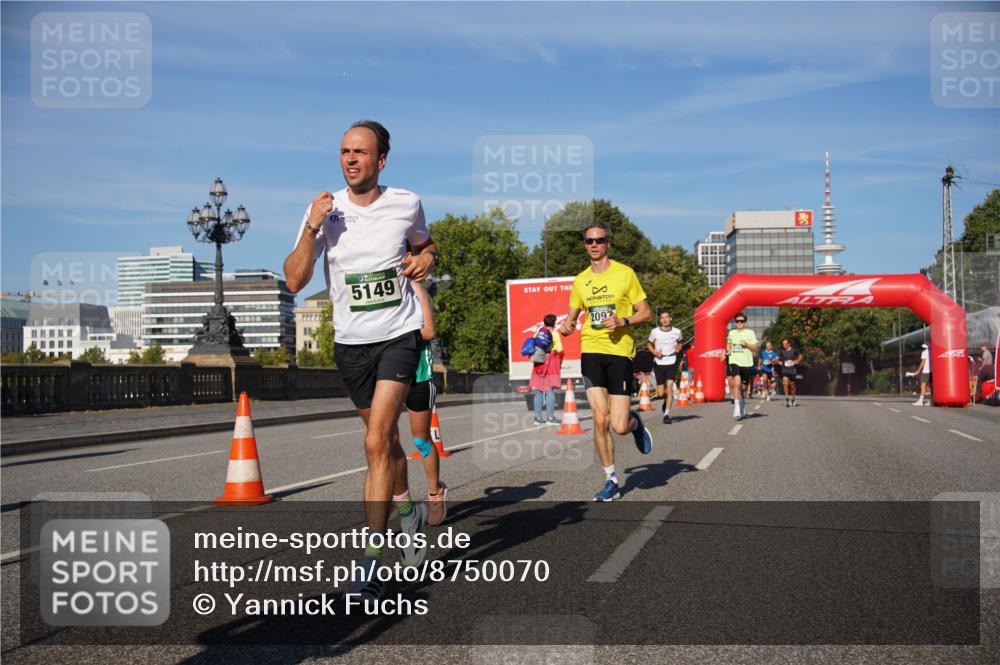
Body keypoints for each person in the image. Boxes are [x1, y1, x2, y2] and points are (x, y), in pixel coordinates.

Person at [282, 120, 438, 601]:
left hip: (398, 335)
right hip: (351, 345)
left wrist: (428, 258)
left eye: (360, 152)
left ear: (381, 160)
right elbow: (293, 280)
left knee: (374, 444)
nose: (350, 159)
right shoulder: (323, 213)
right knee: (386, 445)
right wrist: (311, 226)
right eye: (344, 151)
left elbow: (424, 243)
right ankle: (406, 510)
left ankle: (369, 563)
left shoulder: (406, 203)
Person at [558, 221, 653, 502]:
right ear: (585, 245)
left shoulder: (625, 274)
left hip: (620, 352)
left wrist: (623, 320)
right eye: (589, 241)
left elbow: (645, 313)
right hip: (591, 350)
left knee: (618, 426)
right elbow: (572, 319)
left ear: (609, 243)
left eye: (599, 240)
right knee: (600, 419)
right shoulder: (581, 280)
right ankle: (611, 480)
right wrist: (566, 326)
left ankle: (634, 423)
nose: (594, 245)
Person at [406, 281, 447, 526]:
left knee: (420, 440)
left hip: (419, 375)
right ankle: (400, 500)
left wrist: (395, 332)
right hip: (387, 375)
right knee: (382, 441)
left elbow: (429, 332)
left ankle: (435, 492)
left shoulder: (416, 288)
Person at [647, 310, 683, 423]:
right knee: (661, 393)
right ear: (660, 320)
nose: (664, 320)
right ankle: (667, 399)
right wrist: (655, 352)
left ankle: (666, 414)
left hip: (672, 361)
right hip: (659, 362)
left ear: (670, 318)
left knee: (670, 386)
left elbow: (680, 342)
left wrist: (678, 348)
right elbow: (648, 344)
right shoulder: (655, 332)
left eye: (667, 317)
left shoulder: (677, 332)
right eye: (662, 318)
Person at [530, 313, 564, 425]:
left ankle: (537, 418)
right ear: (554, 323)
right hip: (551, 363)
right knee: (550, 390)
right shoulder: (555, 333)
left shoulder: (537, 333)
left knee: (539, 391)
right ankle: (550, 418)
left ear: (544, 322)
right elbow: (559, 350)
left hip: (539, 364)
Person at [725, 313, 758, 420]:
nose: (739, 323)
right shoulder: (732, 333)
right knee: (737, 383)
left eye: (741, 321)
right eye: (737, 321)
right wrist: (727, 351)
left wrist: (747, 345)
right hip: (734, 361)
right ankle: (737, 408)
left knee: (743, 388)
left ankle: (742, 405)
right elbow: (729, 345)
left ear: (745, 322)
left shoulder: (750, 333)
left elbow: (756, 348)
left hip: (747, 363)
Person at [778, 338, 803, 407]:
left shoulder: (794, 350)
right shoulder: (781, 351)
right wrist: (779, 362)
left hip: (792, 370)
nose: (784, 345)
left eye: (785, 344)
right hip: (785, 370)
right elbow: (777, 359)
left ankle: (793, 399)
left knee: (792, 386)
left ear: (789, 344)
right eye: (783, 344)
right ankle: (786, 399)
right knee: (786, 384)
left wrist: (797, 361)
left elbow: (801, 356)